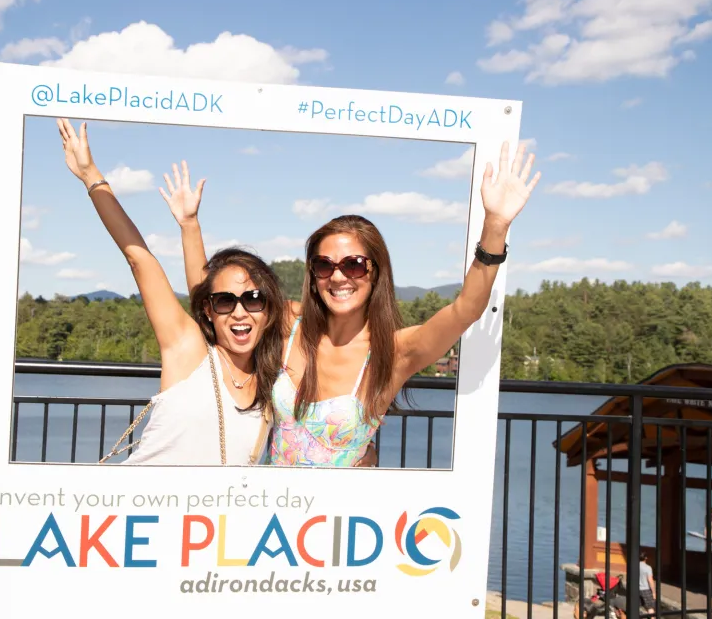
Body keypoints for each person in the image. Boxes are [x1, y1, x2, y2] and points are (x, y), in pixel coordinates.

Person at [164, 140, 539, 467]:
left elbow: (465, 310)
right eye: (325, 265)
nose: (339, 277)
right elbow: (216, 300)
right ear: (313, 273)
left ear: (375, 272)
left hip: (342, 531)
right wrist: (189, 225)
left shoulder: (394, 352)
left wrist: (496, 226)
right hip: (277, 519)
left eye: (354, 265)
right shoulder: (289, 326)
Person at [56, 118, 287, 466]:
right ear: (209, 311)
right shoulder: (189, 351)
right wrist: (91, 176)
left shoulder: (273, 384)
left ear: (268, 309)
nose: (239, 312)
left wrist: (190, 225)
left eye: (253, 299)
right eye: (225, 301)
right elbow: (139, 259)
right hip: (133, 514)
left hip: (205, 521)